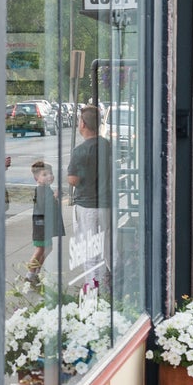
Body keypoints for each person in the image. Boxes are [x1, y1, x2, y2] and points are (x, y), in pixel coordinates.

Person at [67, 105, 112, 290]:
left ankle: (93, 289)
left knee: (89, 251)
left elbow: (73, 180)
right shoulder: (106, 144)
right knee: (106, 249)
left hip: (87, 206)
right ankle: (107, 288)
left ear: (83, 124)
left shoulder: (80, 151)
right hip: (105, 205)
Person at [26, 160, 65, 287]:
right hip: (40, 225)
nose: (49, 176)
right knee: (40, 249)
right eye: (44, 174)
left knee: (47, 248)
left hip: (44, 224)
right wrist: (54, 197)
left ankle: (35, 272)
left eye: (50, 174)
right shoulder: (41, 190)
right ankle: (30, 275)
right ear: (36, 178)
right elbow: (43, 205)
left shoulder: (45, 188)